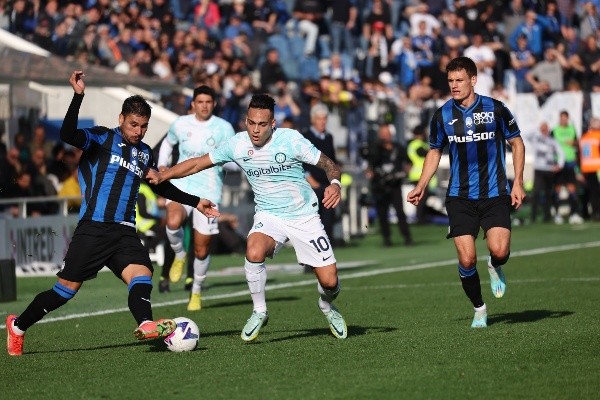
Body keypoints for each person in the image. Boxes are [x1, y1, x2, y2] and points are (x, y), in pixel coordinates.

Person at [5, 70, 219, 356]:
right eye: (133, 125)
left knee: (142, 274)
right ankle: (17, 326)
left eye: (143, 126)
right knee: (65, 291)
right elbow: (69, 134)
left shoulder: (144, 153)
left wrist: (195, 201)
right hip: (94, 227)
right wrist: (77, 97)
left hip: (124, 231)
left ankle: (145, 324)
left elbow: (159, 187)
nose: (138, 131)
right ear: (121, 119)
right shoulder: (102, 139)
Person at [148, 93, 348, 341]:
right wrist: (163, 175)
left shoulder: (292, 140)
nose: (255, 129)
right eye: (251, 123)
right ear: (245, 121)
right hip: (269, 215)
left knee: (330, 282)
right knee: (253, 250)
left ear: (272, 124)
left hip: (303, 216)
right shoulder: (237, 144)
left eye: (262, 124)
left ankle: (327, 306)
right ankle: (259, 311)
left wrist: (335, 184)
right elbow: (197, 163)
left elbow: (329, 165)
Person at [407, 56, 526, 329]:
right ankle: (480, 309)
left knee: (500, 250)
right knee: (467, 258)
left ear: (473, 79)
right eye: (450, 81)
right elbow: (435, 151)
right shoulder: (442, 115)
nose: (454, 85)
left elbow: (517, 144)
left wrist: (517, 182)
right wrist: (421, 184)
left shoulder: (496, 109)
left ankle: (495, 265)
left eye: (459, 80)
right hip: (459, 196)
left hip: (495, 192)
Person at [157, 85, 235, 311]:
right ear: (193, 104)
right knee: (172, 221)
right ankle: (180, 254)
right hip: (182, 184)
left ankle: (196, 291)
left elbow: (234, 158)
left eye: (208, 102)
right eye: (200, 102)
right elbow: (167, 143)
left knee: (202, 248)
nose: (204, 106)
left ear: (214, 104)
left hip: (209, 191)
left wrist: (222, 161)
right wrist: (163, 164)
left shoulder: (224, 128)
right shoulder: (180, 123)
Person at [364, 123, 413, 247]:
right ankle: (386, 239)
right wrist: (371, 173)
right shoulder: (374, 149)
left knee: (400, 212)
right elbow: (368, 166)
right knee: (382, 213)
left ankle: (407, 237)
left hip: (395, 185)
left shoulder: (398, 147)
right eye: (383, 134)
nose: (385, 136)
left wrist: (403, 173)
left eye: (387, 134)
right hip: (379, 185)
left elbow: (408, 163)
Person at [302, 103, 338, 243]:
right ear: (313, 119)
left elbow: (332, 162)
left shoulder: (329, 137)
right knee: (312, 225)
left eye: (324, 118)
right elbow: (301, 162)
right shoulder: (305, 136)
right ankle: (309, 264)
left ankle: (326, 260)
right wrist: (312, 182)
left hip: (327, 186)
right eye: (319, 118)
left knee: (327, 224)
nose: (322, 121)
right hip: (311, 187)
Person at [551, 110, 583, 224]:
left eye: (565, 118)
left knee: (572, 188)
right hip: (559, 163)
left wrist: (573, 143)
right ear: (559, 118)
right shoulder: (554, 130)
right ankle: (557, 214)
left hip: (570, 162)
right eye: (562, 118)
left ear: (567, 118)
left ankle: (574, 214)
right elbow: (550, 145)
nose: (563, 120)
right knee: (558, 189)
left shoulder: (572, 129)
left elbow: (577, 143)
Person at [529, 122, 564, 223]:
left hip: (549, 170)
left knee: (549, 193)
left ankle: (547, 216)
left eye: (546, 128)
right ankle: (533, 216)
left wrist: (559, 165)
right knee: (536, 192)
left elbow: (561, 153)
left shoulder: (552, 141)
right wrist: (537, 129)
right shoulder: (536, 139)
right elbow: (526, 134)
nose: (544, 130)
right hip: (539, 169)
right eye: (542, 128)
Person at [579, 117, 600, 221]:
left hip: (586, 168)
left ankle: (585, 213)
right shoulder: (598, 135)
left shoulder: (584, 137)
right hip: (596, 167)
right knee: (596, 192)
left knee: (589, 192)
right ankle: (596, 213)